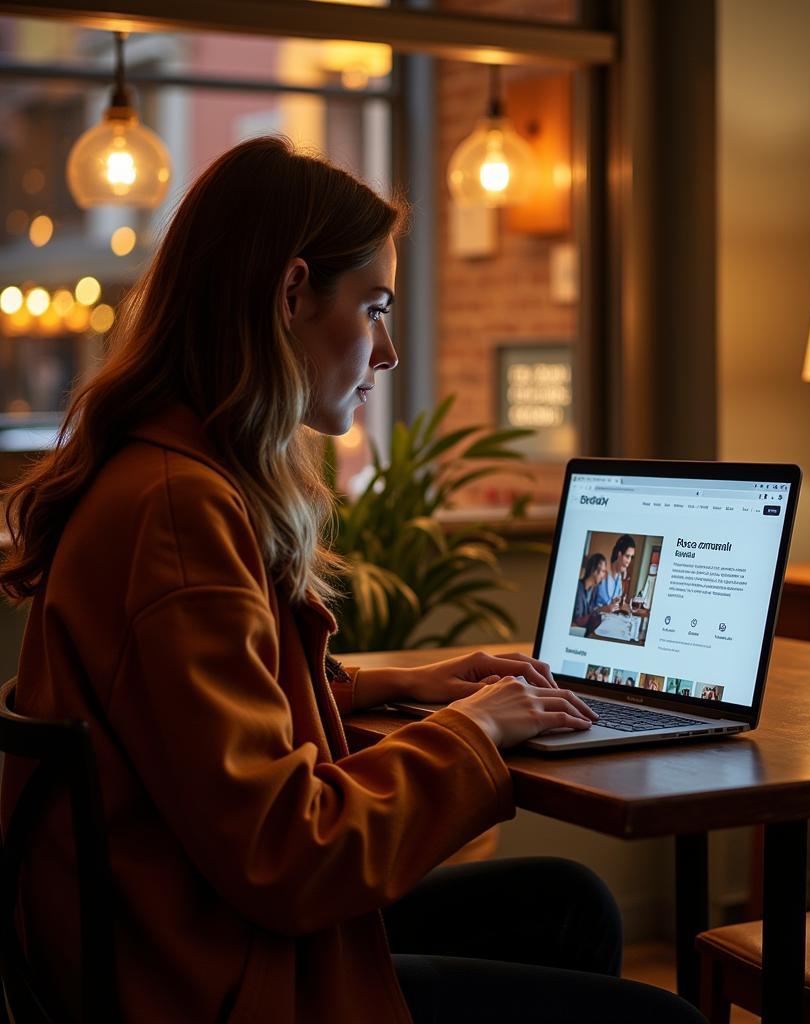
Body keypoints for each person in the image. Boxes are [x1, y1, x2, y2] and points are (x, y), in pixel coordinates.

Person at [0, 138, 704, 1024]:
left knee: (567, 905)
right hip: (218, 980)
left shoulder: (166, 475)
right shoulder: (178, 512)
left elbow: (201, 709)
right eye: (373, 309)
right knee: (666, 1019)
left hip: (186, 931)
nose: (388, 351)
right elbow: (289, 855)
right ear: (291, 293)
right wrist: (473, 732)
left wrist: (396, 683)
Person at [594, 534, 636, 613]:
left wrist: (618, 603)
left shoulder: (619, 578)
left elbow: (614, 604)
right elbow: (585, 612)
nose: (629, 561)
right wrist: (604, 609)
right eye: (627, 556)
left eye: (631, 557)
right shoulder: (601, 574)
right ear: (619, 554)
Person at [572, 551, 607, 627]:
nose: (604, 576)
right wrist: (600, 611)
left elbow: (591, 612)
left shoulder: (594, 590)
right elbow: (577, 621)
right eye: (603, 571)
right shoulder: (578, 589)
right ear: (595, 570)